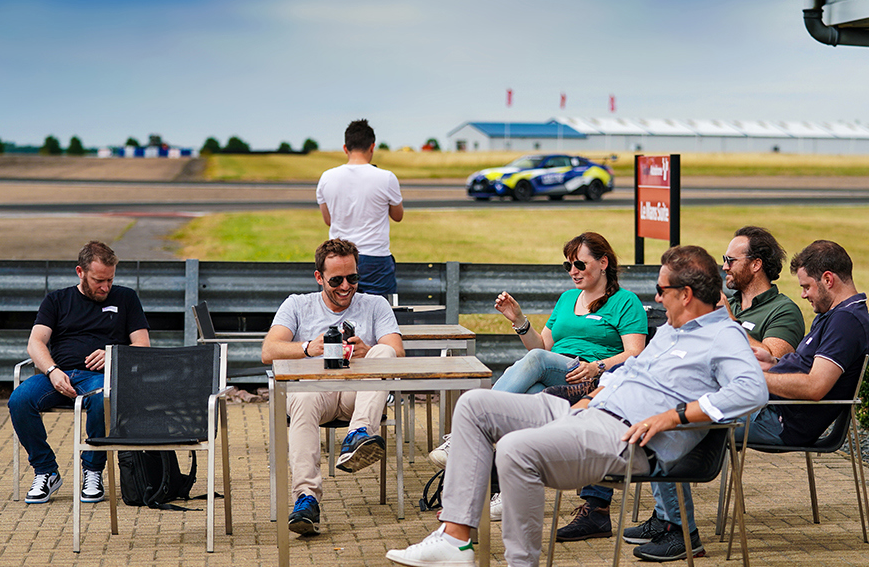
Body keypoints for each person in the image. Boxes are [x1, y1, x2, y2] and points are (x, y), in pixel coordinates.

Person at [386, 245, 767, 567]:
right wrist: (596, 394)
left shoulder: (723, 337)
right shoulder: (671, 329)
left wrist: (675, 417)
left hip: (624, 436)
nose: (656, 297)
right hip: (593, 411)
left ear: (685, 294)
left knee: (517, 448)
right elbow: (633, 370)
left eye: (662, 290)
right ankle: (455, 537)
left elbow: (753, 390)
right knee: (475, 404)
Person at [635, 240, 869, 559]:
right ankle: (667, 518)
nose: (803, 294)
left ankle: (679, 532)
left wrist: (751, 380)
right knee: (673, 402)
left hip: (779, 420)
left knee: (668, 421)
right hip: (767, 407)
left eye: (807, 287)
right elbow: (804, 368)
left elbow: (816, 387)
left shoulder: (846, 321)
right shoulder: (834, 314)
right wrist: (770, 362)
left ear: (828, 279)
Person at [427, 232, 647, 538]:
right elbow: (540, 346)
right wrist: (519, 320)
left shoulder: (626, 302)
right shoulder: (568, 298)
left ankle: (466, 432)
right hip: (558, 373)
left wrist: (596, 366)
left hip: (594, 378)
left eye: (580, 264)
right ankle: (507, 491)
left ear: (603, 263)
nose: (573, 271)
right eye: (568, 264)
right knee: (528, 395)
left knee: (536, 368)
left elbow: (635, 353)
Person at [261, 238, 405, 535]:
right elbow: (269, 350)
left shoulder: (375, 304)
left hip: (359, 395)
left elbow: (397, 352)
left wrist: (366, 350)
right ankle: (306, 499)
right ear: (319, 278)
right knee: (301, 397)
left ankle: (359, 434)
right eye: (336, 280)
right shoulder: (298, 304)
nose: (345, 286)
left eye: (352, 278)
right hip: (317, 393)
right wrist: (309, 347)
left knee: (384, 352)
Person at [8, 241, 150, 504]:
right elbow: (35, 342)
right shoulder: (57, 300)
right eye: (99, 280)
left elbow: (142, 344)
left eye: (110, 279)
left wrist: (113, 353)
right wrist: (51, 371)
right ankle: (46, 471)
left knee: (102, 397)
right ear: (80, 272)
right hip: (58, 376)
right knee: (19, 399)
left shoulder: (126, 298)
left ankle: (92, 471)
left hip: (98, 378)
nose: (106, 287)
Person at [317, 119, 403, 297]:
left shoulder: (326, 178)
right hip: (375, 258)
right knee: (379, 315)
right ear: (372, 146)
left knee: (337, 313)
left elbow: (328, 220)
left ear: (345, 148)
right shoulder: (386, 178)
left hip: (338, 257)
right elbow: (398, 215)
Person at [722, 225, 804, 359]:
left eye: (730, 261)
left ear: (756, 265)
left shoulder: (784, 311)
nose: (725, 267)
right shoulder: (729, 304)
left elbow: (772, 362)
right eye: (725, 260)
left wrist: (729, 321)